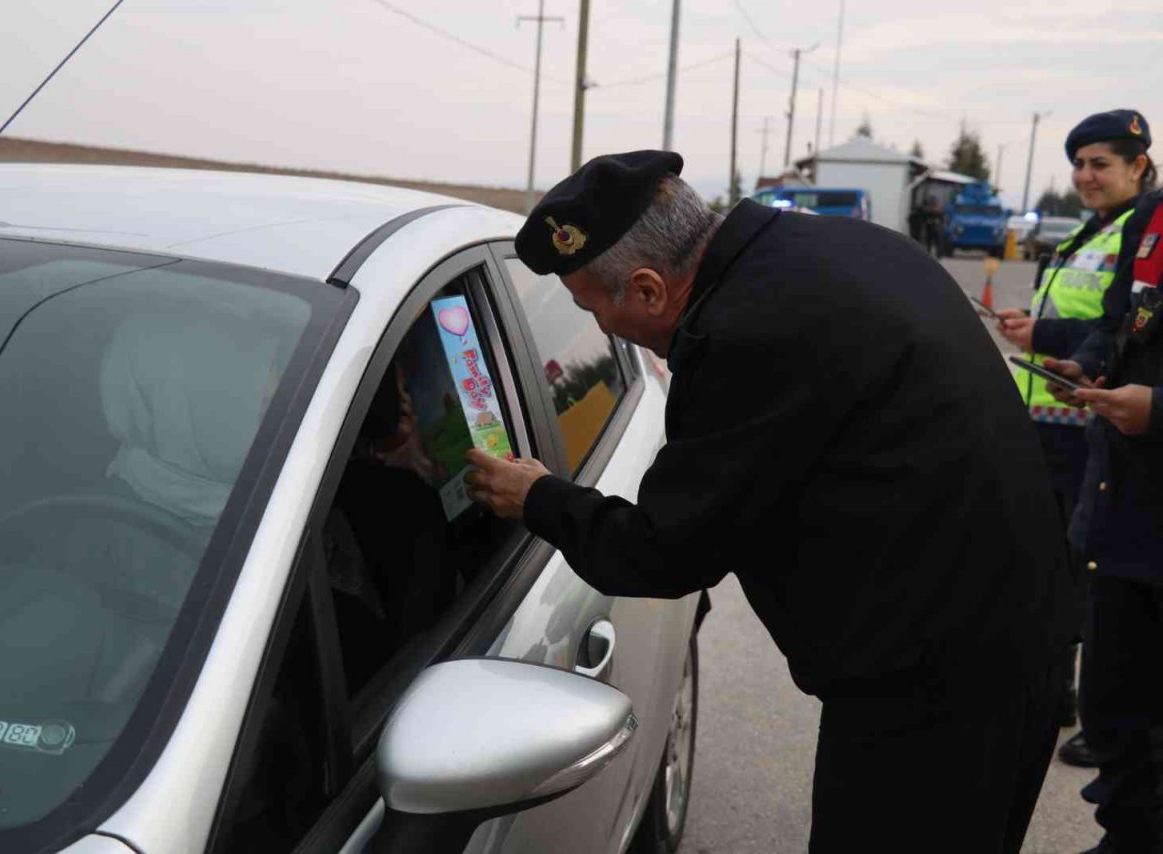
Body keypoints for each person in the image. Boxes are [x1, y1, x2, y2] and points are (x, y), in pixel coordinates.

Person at [463, 150, 1076, 852]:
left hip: (939, 693)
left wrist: (538, 497)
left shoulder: (747, 335)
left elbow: (663, 551)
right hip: (1005, 635)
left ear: (649, 289)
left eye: (592, 307)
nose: (601, 330)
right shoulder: (836, 248)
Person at [993, 110, 1154, 765]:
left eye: (1099, 164)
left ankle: (1100, 710)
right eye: (1079, 165)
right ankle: (1057, 694)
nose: (1084, 176)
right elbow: (1094, 320)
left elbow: (1126, 328)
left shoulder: (1141, 233)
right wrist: (1038, 331)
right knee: (1049, 564)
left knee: (1091, 574)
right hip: (1053, 413)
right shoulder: (1095, 228)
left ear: (1139, 166)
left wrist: (1045, 335)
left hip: (1096, 427)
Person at [1044, 178, 1163, 853]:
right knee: (1115, 705)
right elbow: (1122, 320)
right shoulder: (1154, 217)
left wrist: (1159, 410)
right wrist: (1087, 365)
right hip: (1123, 503)